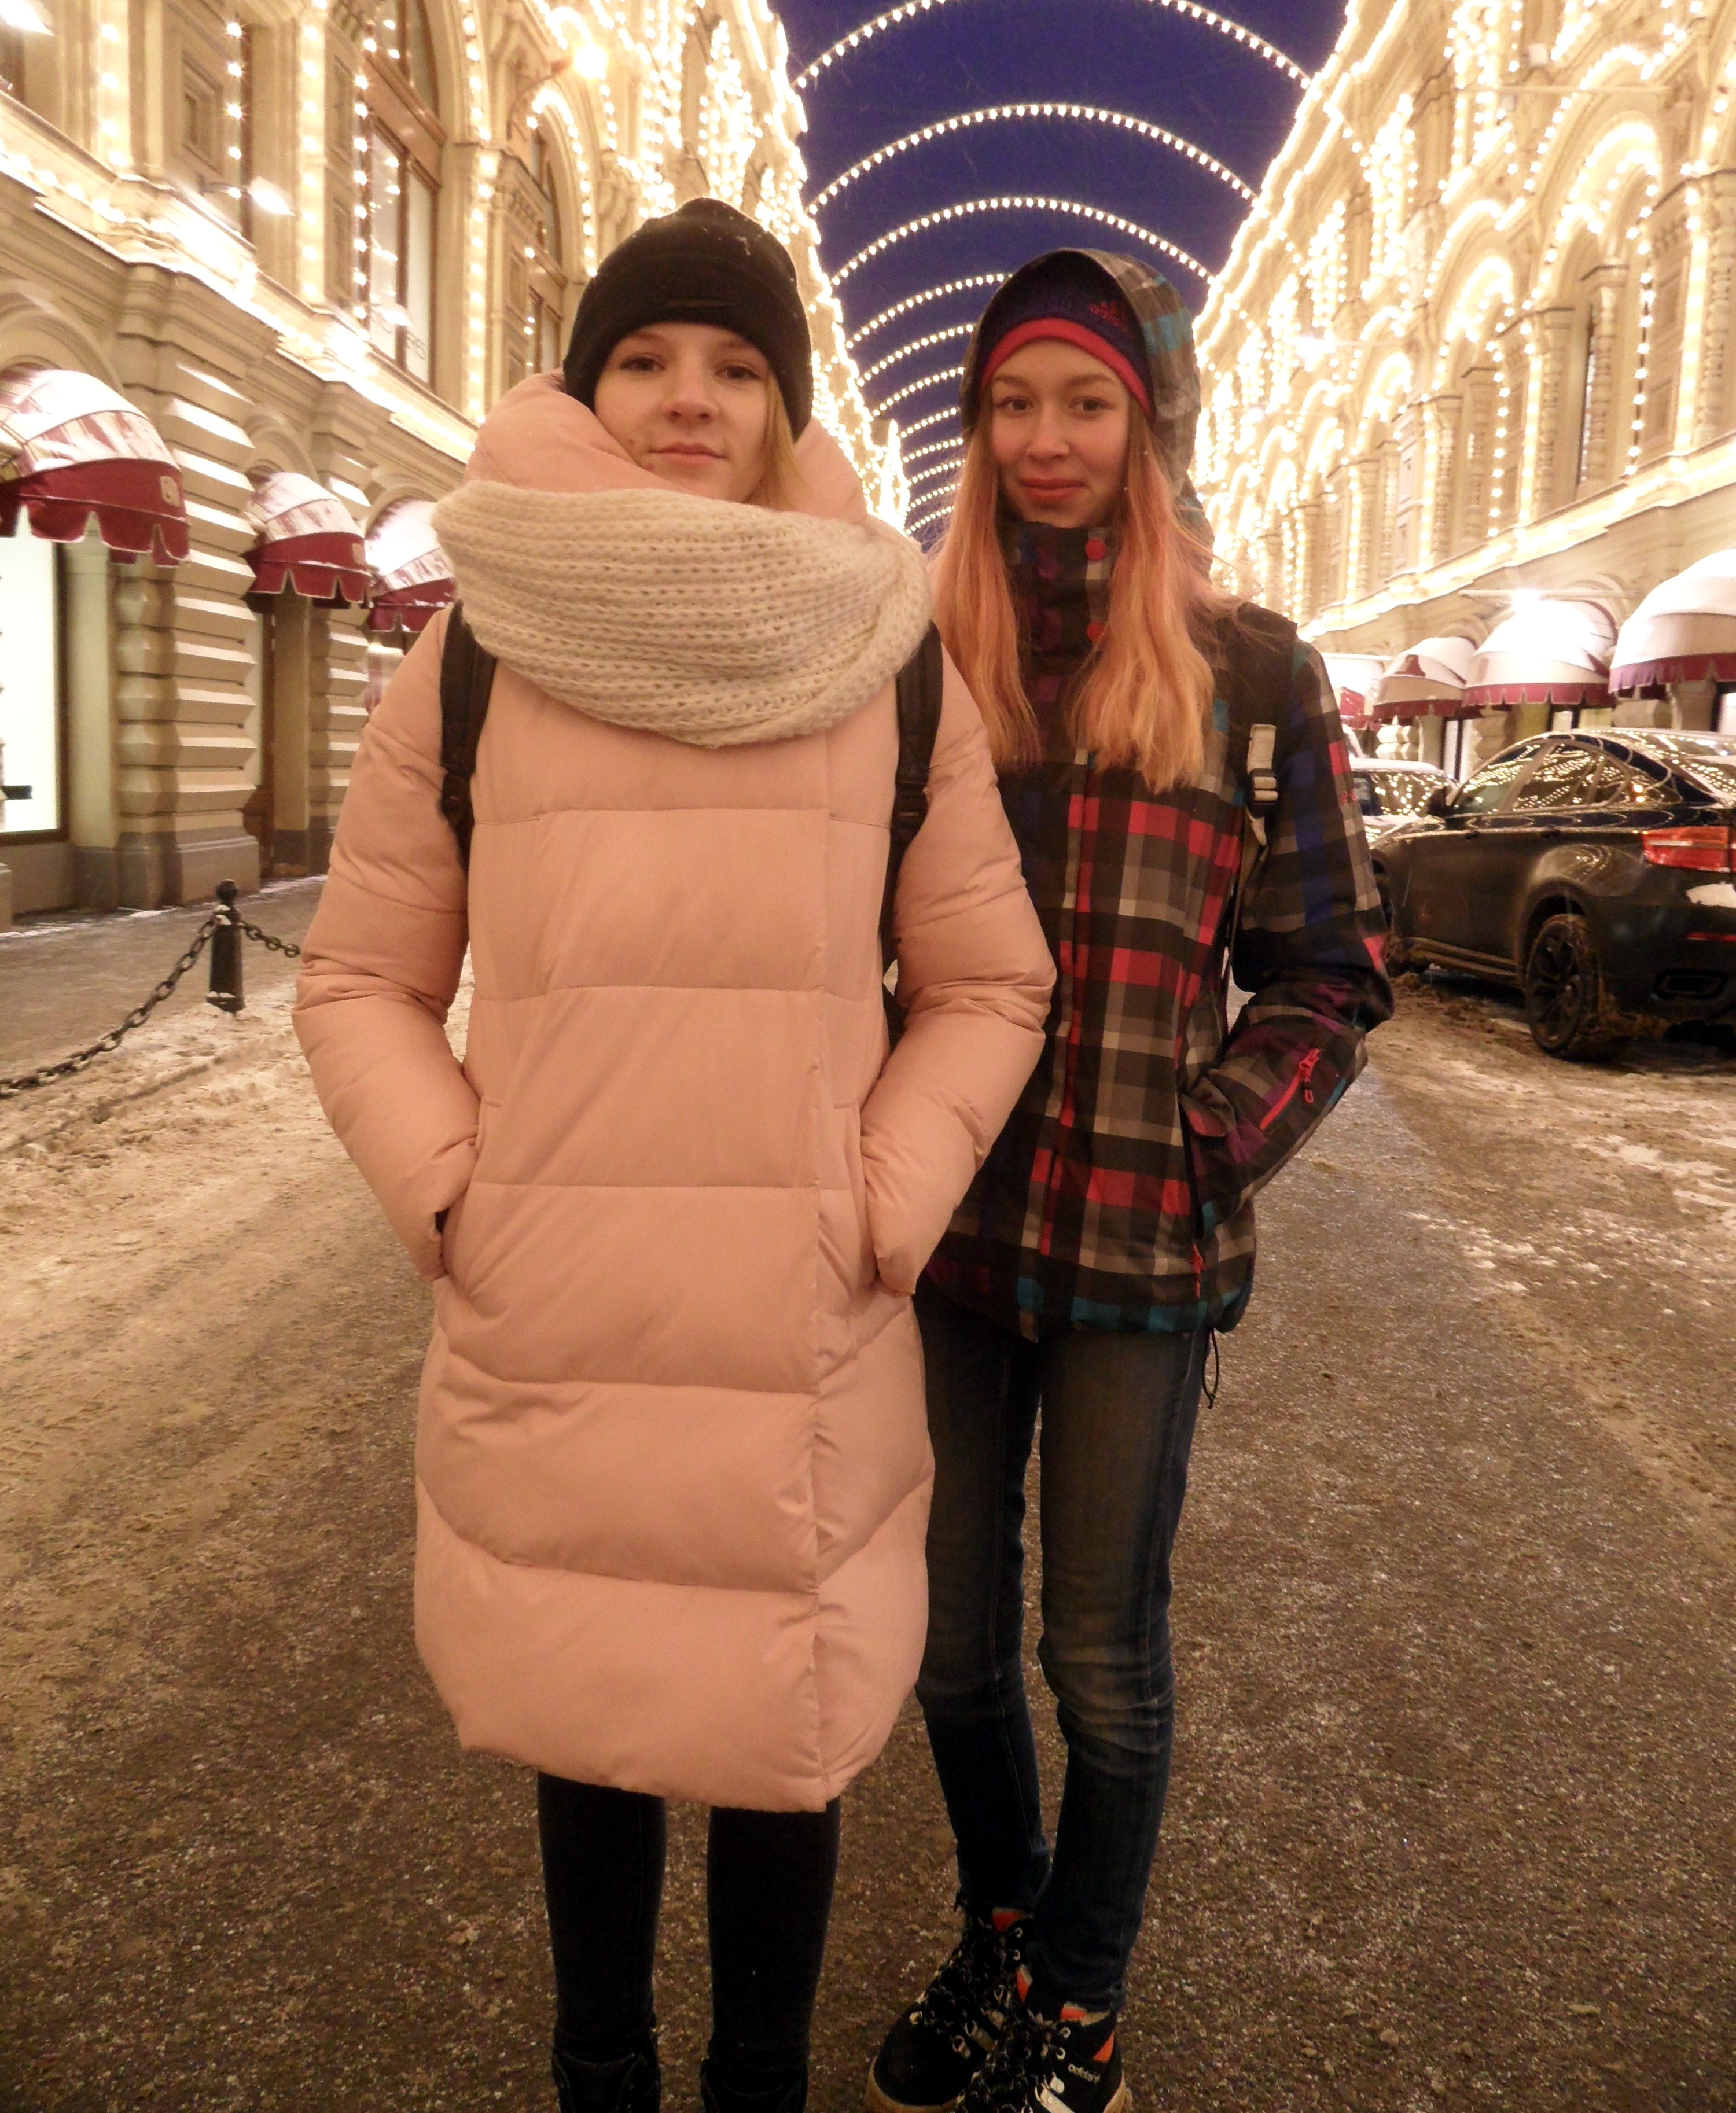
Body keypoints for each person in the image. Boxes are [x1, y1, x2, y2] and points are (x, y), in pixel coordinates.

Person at [294, 201, 1054, 2113]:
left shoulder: (886, 656)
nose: (688, 399)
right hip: (561, 1312)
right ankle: (604, 2076)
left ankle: (756, 2088)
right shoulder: (475, 650)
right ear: (586, 385)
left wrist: (881, 1197)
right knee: (593, 1717)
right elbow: (363, 976)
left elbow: (990, 983)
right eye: (643, 360)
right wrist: (458, 1191)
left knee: (785, 1737)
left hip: (798, 1316)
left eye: (732, 366)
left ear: (786, 406)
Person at [865, 251, 1392, 2113]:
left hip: (1137, 1253)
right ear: (975, 431)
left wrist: (1210, 1138)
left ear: (1148, 431)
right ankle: (1006, 1928)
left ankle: (1077, 2003)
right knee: (945, 1651)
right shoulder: (923, 664)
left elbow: (1333, 970)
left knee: (1099, 1657)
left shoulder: (1253, 674)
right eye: (1013, 403)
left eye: (1086, 402)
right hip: (947, 1235)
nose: (1047, 439)